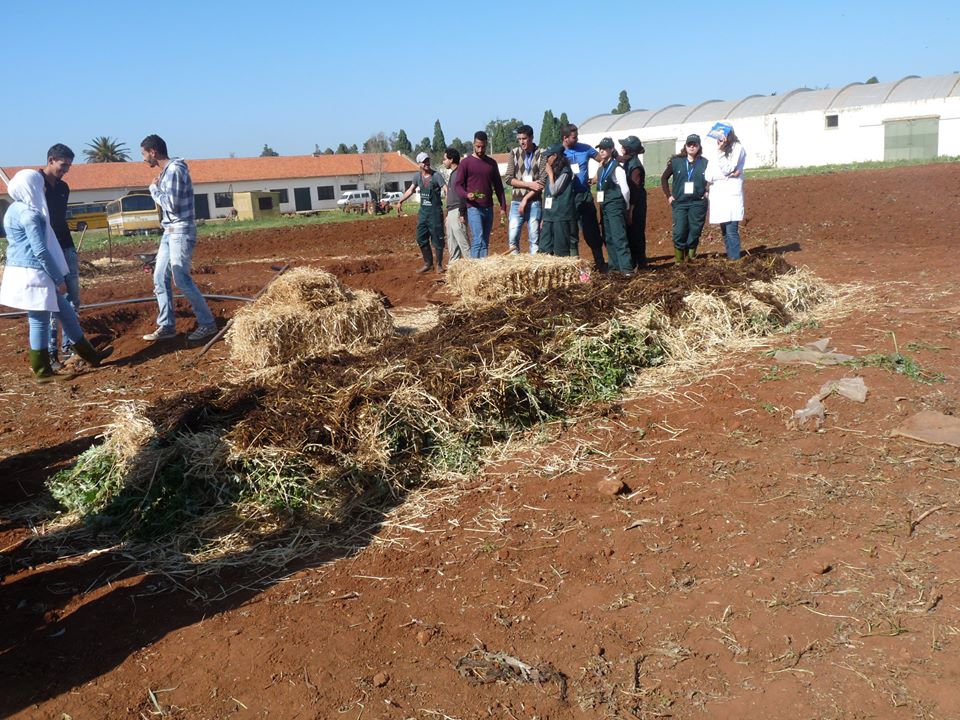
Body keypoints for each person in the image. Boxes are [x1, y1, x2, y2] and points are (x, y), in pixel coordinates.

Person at [0, 170, 111, 382]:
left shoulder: (13, 209)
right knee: (39, 320)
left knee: (66, 312)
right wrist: (59, 279)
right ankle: (43, 372)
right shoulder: (29, 215)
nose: (43, 189)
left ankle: (91, 356)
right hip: (34, 273)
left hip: (27, 270)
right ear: (31, 186)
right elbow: (40, 250)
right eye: (39, 185)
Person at [140, 134, 218, 342]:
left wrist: (153, 190)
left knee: (181, 278)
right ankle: (166, 325)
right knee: (159, 277)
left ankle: (208, 324)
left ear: (153, 152)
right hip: (169, 231)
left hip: (180, 231)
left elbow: (172, 205)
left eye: (144, 154)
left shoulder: (174, 170)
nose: (143, 159)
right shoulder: (167, 172)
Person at [40, 144, 80, 369]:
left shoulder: (64, 187)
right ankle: (51, 353)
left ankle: (70, 346)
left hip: (66, 246)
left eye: (69, 166)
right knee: (53, 302)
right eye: (63, 165)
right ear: (51, 159)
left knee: (74, 298)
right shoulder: (36, 184)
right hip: (48, 249)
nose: (66, 170)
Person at [561, 123, 606, 272]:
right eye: (574, 137)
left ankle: (600, 263)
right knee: (571, 233)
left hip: (584, 195)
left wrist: (595, 177)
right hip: (567, 198)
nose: (577, 138)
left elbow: (602, 160)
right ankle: (575, 267)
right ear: (565, 138)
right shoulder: (559, 153)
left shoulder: (585, 148)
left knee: (591, 231)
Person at [454, 131, 506, 258]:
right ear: (473, 144)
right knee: (478, 238)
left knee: (485, 241)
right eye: (478, 146)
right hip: (473, 207)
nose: (480, 149)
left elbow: (499, 187)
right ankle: (474, 269)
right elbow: (457, 185)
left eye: (483, 146)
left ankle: (482, 267)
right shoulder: (466, 163)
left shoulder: (491, 163)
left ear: (486, 144)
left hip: (488, 207)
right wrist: (467, 195)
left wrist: (503, 207)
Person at [661, 134, 709, 264]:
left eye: (695, 145)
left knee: (695, 230)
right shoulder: (676, 162)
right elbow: (664, 178)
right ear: (685, 146)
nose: (692, 147)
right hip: (680, 203)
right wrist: (669, 196)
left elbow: (711, 179)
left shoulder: (705, 163)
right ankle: (679, 261)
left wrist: (707, 191)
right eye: (689, 144)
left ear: (699, 146)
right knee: (680, 231)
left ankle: (691, 257)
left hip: (698, 202)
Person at [397, 151, 446, 273]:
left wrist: (450, 206)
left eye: (427, 161)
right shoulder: (417, 177)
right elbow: (410, 190)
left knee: (437, 240)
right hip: (423, 213)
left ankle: (439, 265)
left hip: (435, 213)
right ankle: (428, 263)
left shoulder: (436, 176)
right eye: (424, 162)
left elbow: (446, 189)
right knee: (421, 238)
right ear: (419, 164)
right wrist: (400, 201)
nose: (427, 163)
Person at [706, 122, 746, 260]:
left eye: (724, 134)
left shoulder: (737, 148)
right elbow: (708, 175)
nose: (721, 138)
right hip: (718, 193)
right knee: (724, 228)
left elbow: (728, 168)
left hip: (730, 193)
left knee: (731, 229)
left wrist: (721, 152)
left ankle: (735, 260)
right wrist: (724, 175)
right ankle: (731, 257)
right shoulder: (716, 150)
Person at [593, 138, 633, 275]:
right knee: (608, 237)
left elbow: (625, 189)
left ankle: (626, 268)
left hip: (615, 205)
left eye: (605, 148)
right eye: (600, 149)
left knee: (618, 236)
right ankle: (614, 267)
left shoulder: (616, 167)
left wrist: (626, 206)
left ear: (611, 149)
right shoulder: (601, 168)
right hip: (604, 206)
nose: (602, 151)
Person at [503, 124, 543, 255]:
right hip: (516, 202)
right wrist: (529, 184)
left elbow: (542, 182)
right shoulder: (514, 153)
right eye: (519, 139)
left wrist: (527, 196)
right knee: (513, 238)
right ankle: (515, 267)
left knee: (534, 238)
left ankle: (534, 269)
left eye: (524, 138)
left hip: (534, 202)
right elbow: (508, 178)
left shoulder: (541, 154)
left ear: (531, 138)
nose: (521, 142)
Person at [537, 143, 578, 257]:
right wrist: (544, 217)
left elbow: (555, 190)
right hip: (549, 215)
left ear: (555, 156)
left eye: (548, 156)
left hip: (561, 215)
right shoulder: (552, 170)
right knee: (544, 248)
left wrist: (550, 174)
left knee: (561, 250)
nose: (546, 159)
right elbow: (547, 195)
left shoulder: (565, 171)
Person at [618, 135, 648, 269]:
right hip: (633, 202)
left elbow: (635, 190)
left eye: (624, 146)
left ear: (630, 150)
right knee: (633, 232)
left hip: (636, 203)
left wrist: (630, 210)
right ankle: (636, 261)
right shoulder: (629, 161)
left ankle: (640, 263)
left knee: (636, 232)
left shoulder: (635, 166)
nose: (622, 148)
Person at [442, 147, 470, 263]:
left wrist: (462, 213)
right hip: (452, 211)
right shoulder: (453, 174)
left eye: (444, 159)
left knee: (463, 242)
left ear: (451, 159)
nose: (443, 162)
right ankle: (453, 270)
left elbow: (463, 194)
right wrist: (448, 215)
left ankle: (473, 267)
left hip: (458, 211)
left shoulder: (459, 173)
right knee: (452, 243)